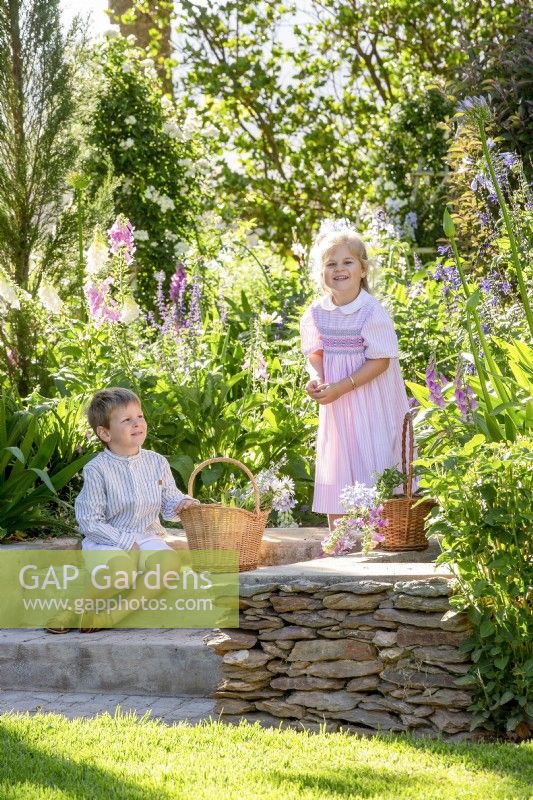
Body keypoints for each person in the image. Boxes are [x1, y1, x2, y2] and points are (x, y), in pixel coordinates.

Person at [46, 387, 198, 633]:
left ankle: (110, 617)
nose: (137, 423)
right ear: (105, 433)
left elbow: (169, 500)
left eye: (140, 417)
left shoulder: (157, 462)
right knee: (122, 571)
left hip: (147, 536)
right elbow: (89, 521)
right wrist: (124, 541)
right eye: (127, 420)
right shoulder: (97, 469)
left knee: (169, 562)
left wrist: (182, 504)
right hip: (107, 539)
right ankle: (72, 610)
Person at [300, 226, 412, 532]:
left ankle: (379, 532)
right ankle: (341, 537)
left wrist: (343, 386)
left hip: (368, 398)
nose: (339, 269)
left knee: (371, 453)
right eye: (331, 264)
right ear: (321, 272)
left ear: (363, 269)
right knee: (337, 457)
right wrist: (318, 379)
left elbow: (381, 360)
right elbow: (315, 352)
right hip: (336, 404)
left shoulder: (371, 312)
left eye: (347, 262)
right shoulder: (316, 313)